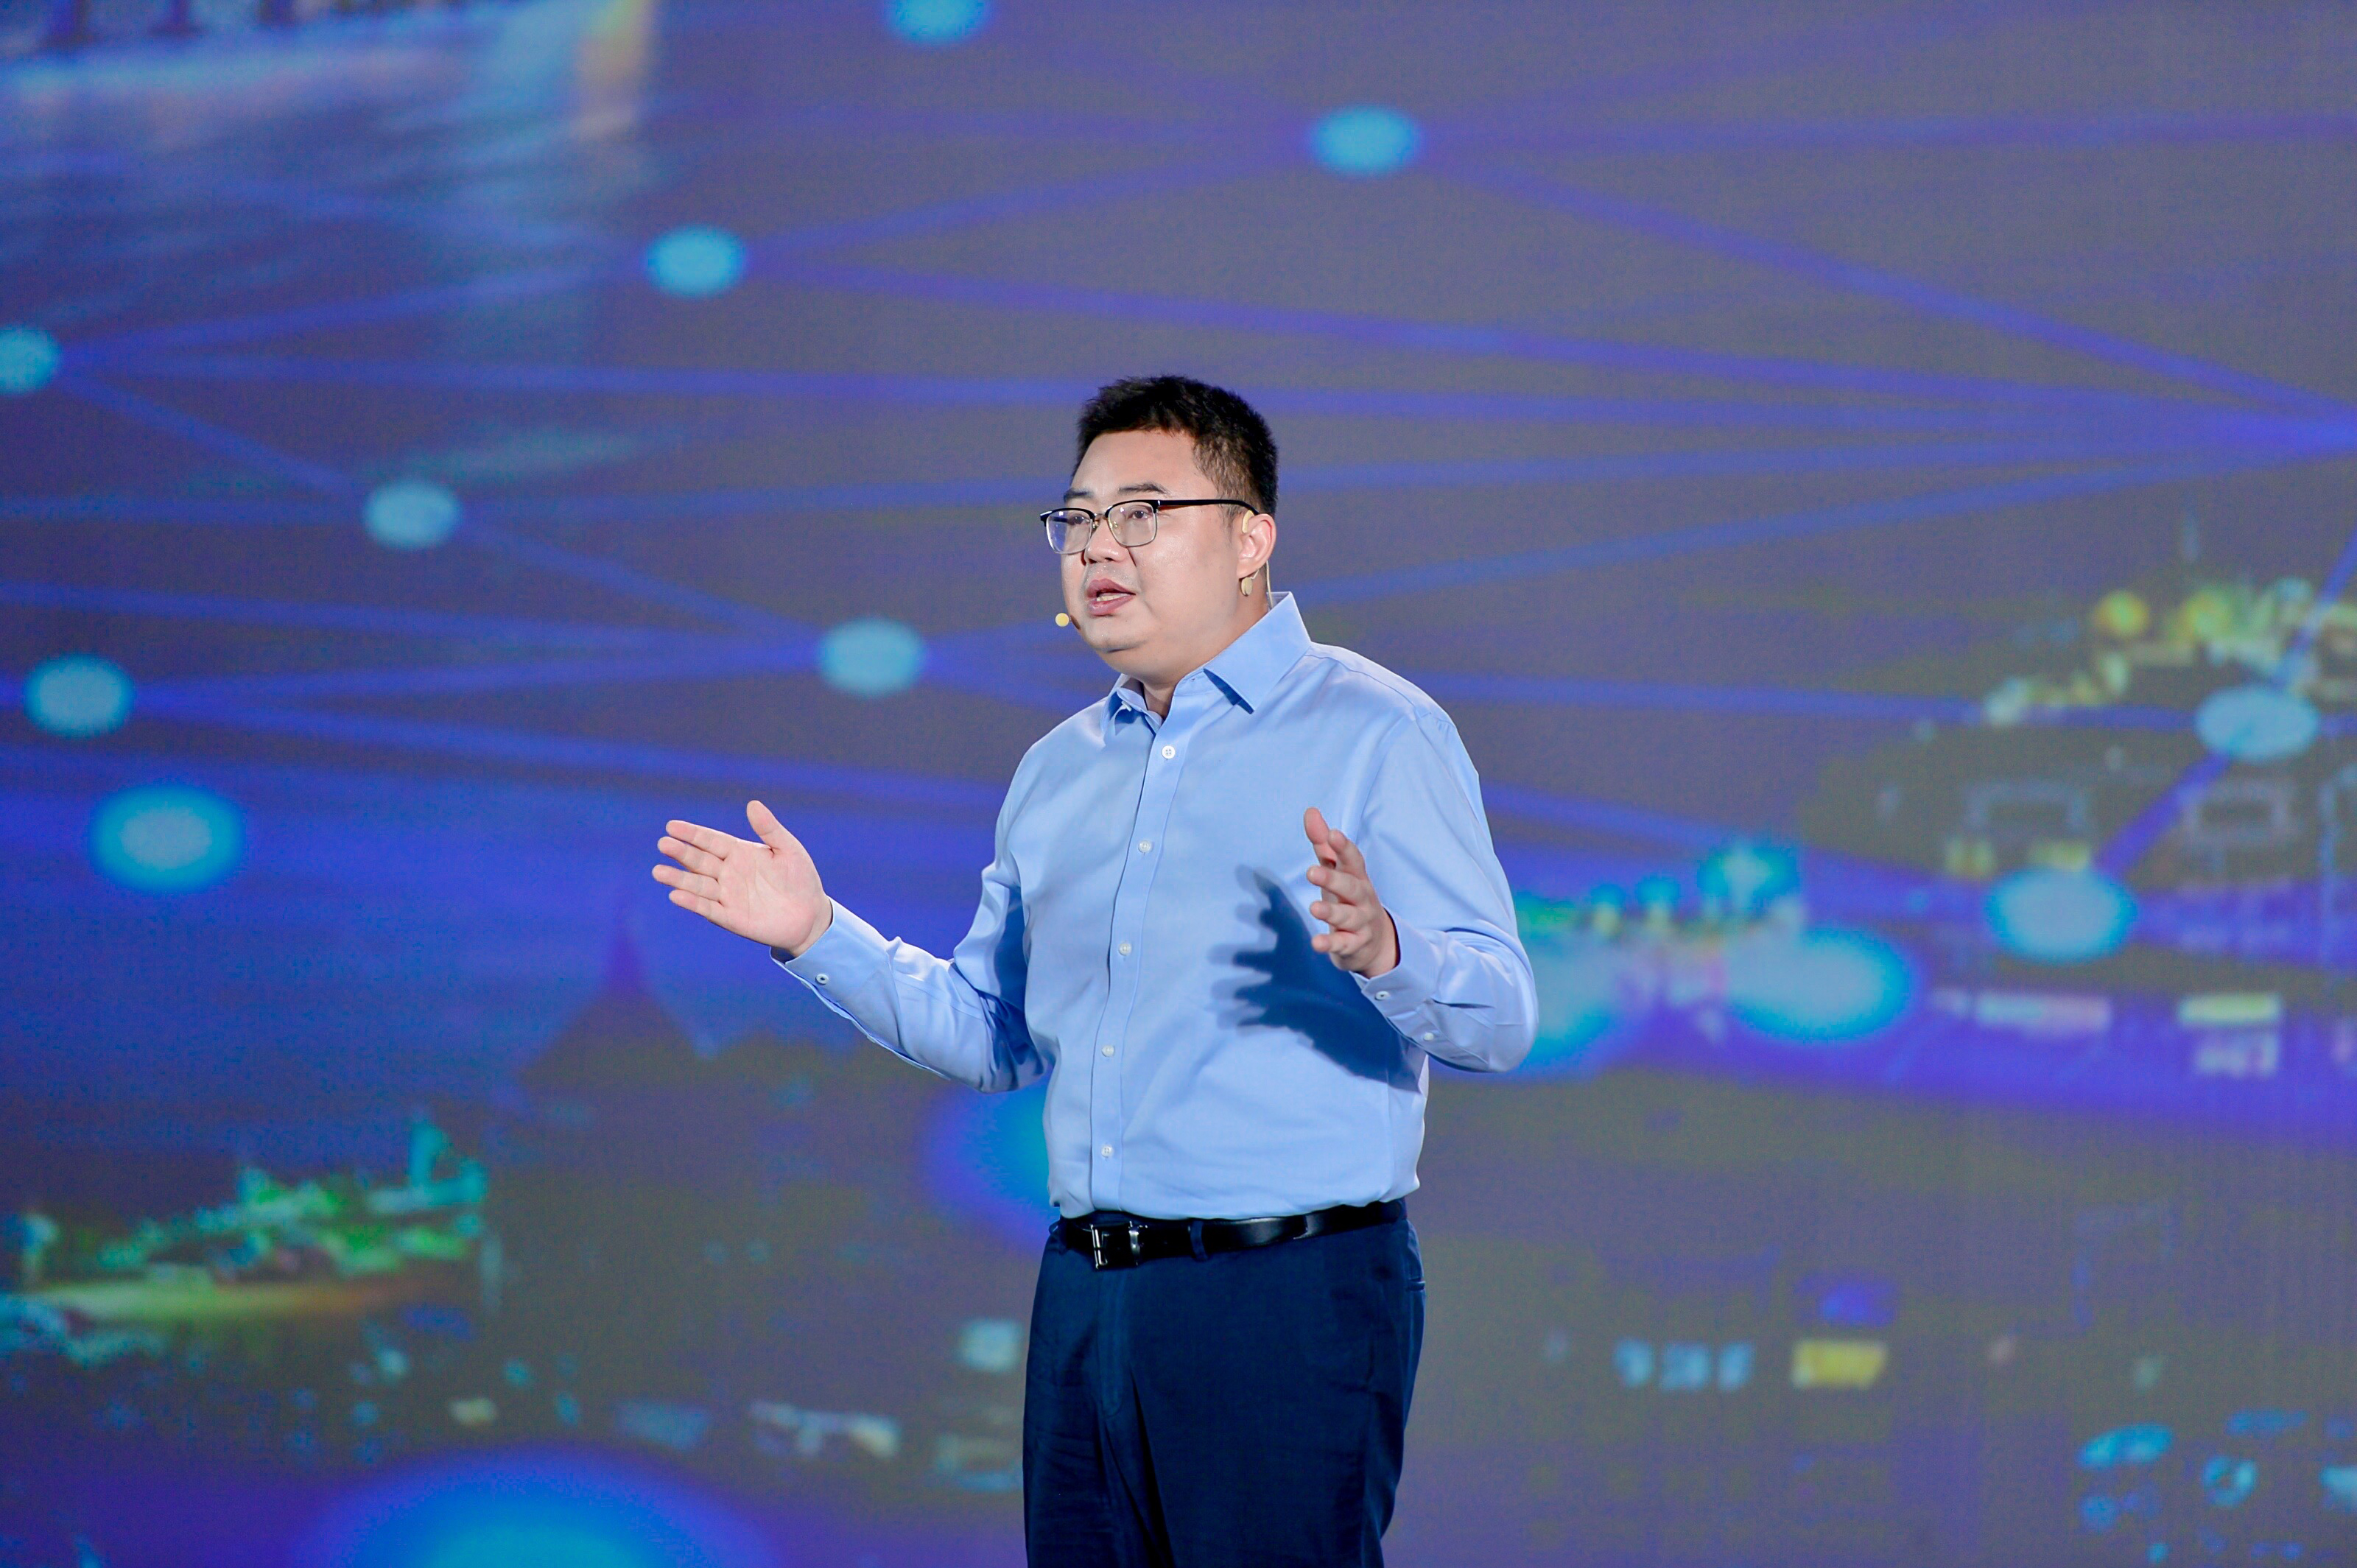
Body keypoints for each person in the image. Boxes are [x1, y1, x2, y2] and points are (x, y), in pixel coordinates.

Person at [655, 375, 1534, 1567]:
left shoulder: (1379, 730)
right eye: (1076, 519)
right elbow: (993, 1032)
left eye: (1142, 513)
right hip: (1088, 1294)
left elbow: (1501, 1017)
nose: (1098, 548)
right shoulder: (1056, 771)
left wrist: (1386, 949)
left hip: (1286, 1293)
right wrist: (816, 933)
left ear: (1251, 539)